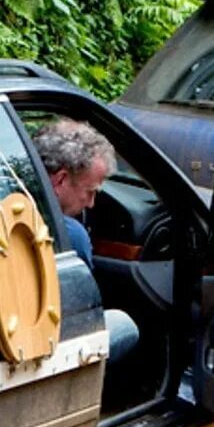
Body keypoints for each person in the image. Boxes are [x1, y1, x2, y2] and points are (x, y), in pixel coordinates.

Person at [31, 119, 139, 361]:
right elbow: (85, 314)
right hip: (43, 352)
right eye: (90, 192)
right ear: (60, 180)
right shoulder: (67, 234)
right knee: (124, 324)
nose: (91, 204)